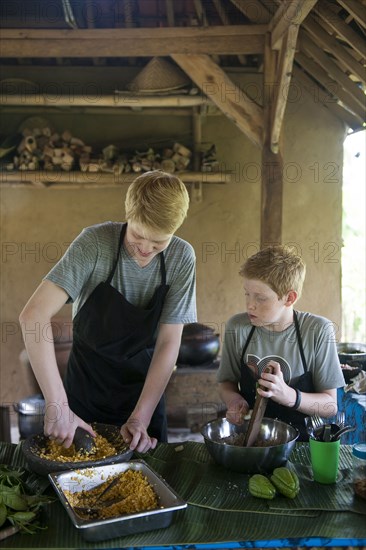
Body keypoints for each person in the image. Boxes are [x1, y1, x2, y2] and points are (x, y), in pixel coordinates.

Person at [19, 170, 196, 453]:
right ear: (128, 214)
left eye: (158, 242)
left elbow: (168, 342)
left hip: (144, 395)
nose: (145, 249)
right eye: (138, 235)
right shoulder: (95, 243)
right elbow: (33, 316)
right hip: (85, 393)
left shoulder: (181, 257)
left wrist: (141, 418)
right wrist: (57, 405)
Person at [217, 245, 345, 441]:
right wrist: (234, 400)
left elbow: (330, 407)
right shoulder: (238, 327)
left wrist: (289, 396)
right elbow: (226, 383)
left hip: (303, 444)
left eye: (260, 298)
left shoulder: (317, 330)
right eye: (247, 294)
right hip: (250, 439)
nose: (250, 304)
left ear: (289, 297)